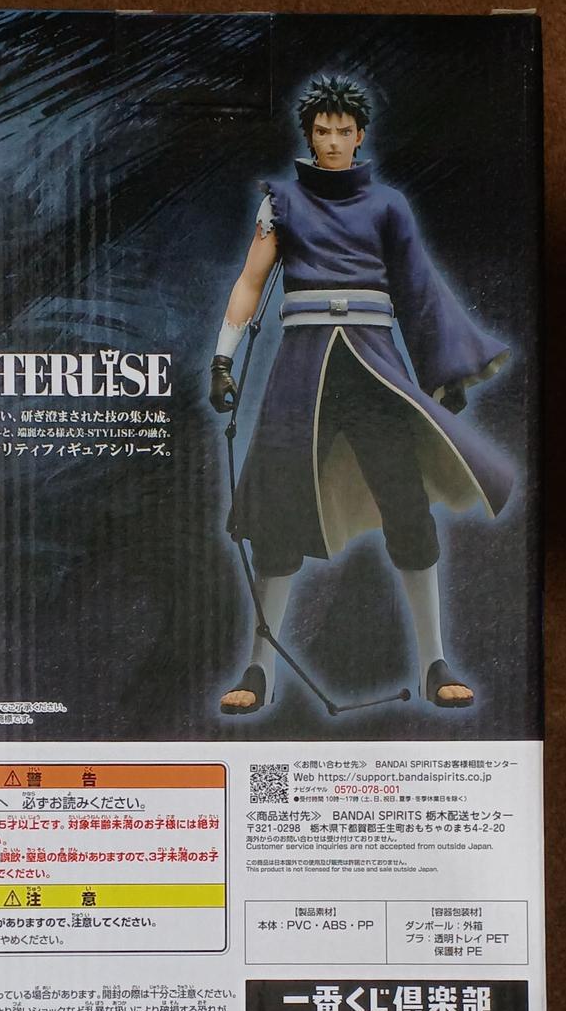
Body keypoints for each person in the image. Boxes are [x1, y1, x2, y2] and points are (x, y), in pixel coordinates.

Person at [209, 75, 513, 714]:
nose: (332, 142)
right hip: (300, 372)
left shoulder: (388, 205)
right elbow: (249, 282)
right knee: (277, 511)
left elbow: (419, 288)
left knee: (406, 505)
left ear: (360, 136)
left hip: (373, 367)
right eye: (322, 131)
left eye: (343, 131)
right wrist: (223, 358)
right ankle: (259, 668)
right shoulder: (281, 203)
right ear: (309, 135)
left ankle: (433, 663)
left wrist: (446, 372)